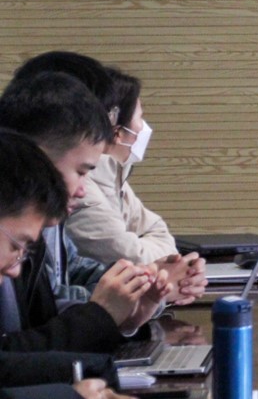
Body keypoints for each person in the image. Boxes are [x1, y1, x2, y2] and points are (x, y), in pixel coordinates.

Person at [0, 72, 179, 354]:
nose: (84, 190)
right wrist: (103, 315)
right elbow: (12, 356)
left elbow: (42, 323)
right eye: (81, 172)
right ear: (37, 157)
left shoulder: (33, 229)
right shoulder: (16, 224)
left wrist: (128, 309)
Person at [7, 54, 202, 305]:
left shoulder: (80, 180)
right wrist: (137, 293)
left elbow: (74, 270)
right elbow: (47, 309)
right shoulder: (42, 199)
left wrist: (149, 279)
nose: (112, 131)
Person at [66, 66, 177, 266]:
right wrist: (160, 259)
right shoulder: (80, 186)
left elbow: (157, 230)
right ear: (117, 132)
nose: (144, 127)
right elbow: (132, 257)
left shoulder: (114, 174)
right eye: (140, 118)